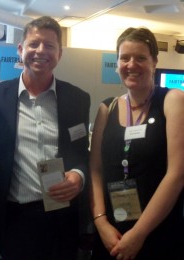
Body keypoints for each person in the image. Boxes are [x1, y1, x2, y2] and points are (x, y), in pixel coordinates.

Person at [0, 16, 91, 260]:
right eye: (34, 44)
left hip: (61, 218)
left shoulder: (78, 99)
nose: (41, 51)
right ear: (21, 50)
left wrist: (79, 177)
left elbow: (81, 153)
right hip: (10, 219)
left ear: (59, 53)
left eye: (49, 46)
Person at [89, 27, 184, 260]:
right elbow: (95, 170)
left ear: (154, 61)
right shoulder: (106, 108)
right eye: (125, 58)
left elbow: (176, 174)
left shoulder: (172, 100)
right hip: (111, 233)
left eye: (141, 58)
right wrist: (100, 222)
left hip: (156, 232)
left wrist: (139, 233)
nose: (132, 65)